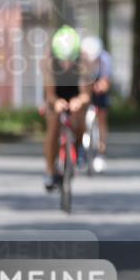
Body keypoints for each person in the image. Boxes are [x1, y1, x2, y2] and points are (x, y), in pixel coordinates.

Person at [42, 26, 91, 190]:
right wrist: (56, 102)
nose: (67, 63)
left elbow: (86, 94)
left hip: (75, 93)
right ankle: (50, 171)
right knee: (54, 123)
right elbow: (49, 94)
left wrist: (79, 101)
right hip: (56, 94)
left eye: (70, 59)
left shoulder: (83, 61)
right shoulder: (49, 61)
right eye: (63, 59)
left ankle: (78, 145)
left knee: (79, 115)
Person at [81, 36, 112, 173]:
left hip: (98, 87)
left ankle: (101, 152)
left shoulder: (105, 59)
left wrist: (101, 86)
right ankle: (79, 145)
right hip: (84, 84)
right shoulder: (79, 60)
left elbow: (106, 81)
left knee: (102, 117)